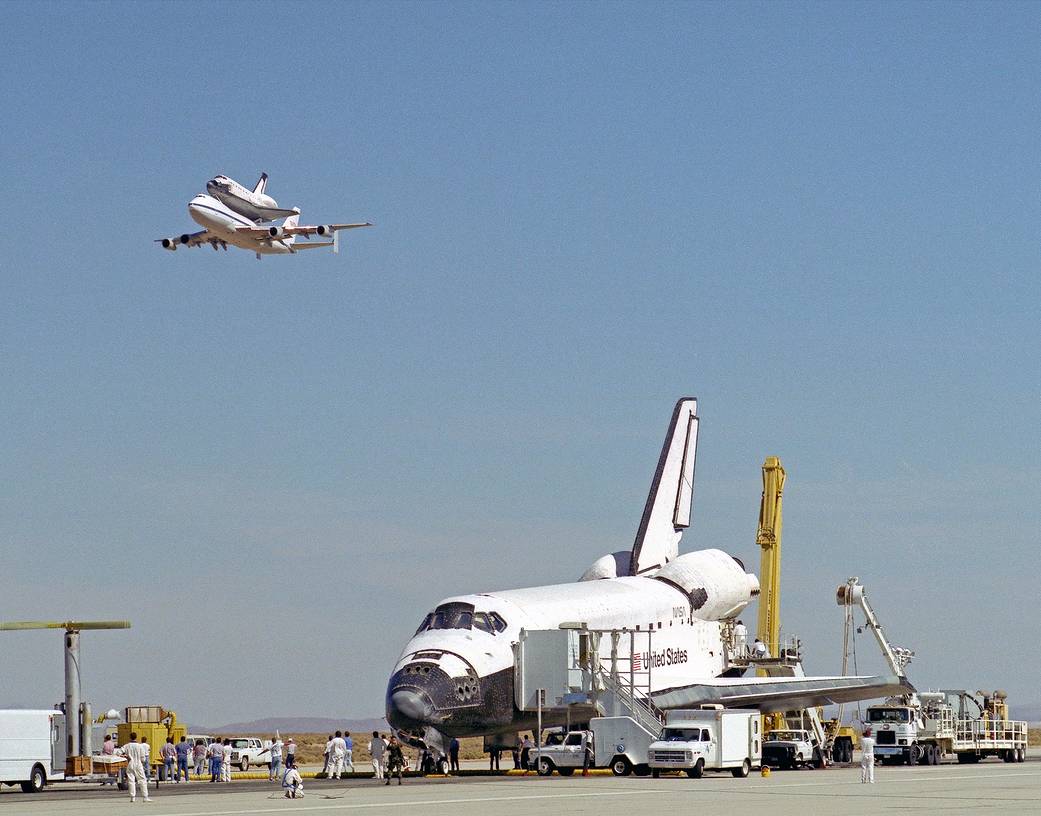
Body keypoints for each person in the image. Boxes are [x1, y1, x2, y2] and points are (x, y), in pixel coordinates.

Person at [116, 732, 152, 803]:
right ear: (136, 737)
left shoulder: (127, 746)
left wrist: (125, 756)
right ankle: (145, 797)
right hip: (138, 763)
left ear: (130, 737)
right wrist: (142, 762)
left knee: (131, 780)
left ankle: (132, 797)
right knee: (142, 780)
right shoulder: (140, 746)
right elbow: (143, 758)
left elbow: (118, 753)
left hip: (130, 763)